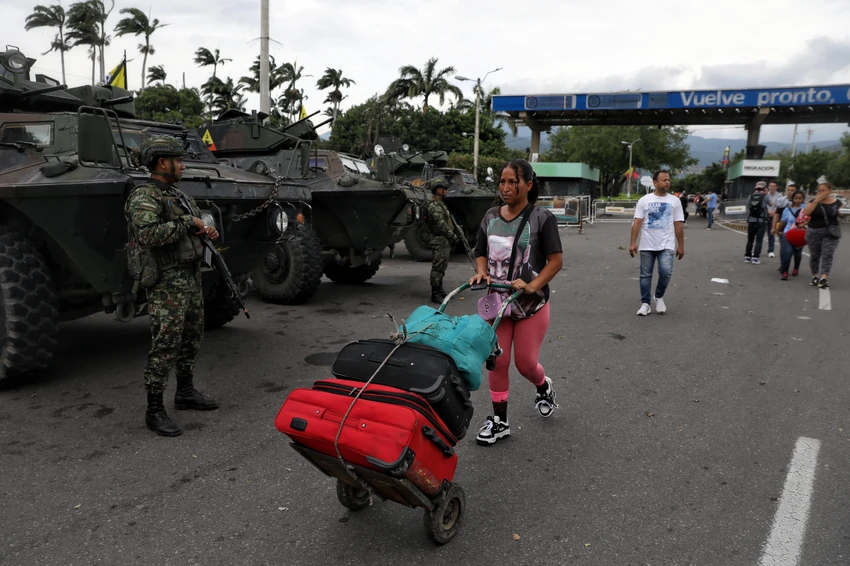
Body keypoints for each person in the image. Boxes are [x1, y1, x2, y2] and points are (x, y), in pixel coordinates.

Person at [125, 135, 220, 437]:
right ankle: (154, 410)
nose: (183, 165)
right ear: (162, 162)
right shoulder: (144, 196)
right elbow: (147, 235)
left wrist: (206, 231)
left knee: (191, 338)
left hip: (189, 277)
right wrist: (188, 223)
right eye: (178, 160)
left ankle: (185, 392)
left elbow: (194, 227)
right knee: (166, 344)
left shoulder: (180, 195)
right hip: (166, 283)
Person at [469, 158, 563, 445]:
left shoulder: (542, 218)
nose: (506, 187)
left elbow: (555, 261)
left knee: (525, 364)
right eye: (502, 182)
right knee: (497, 361)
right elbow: (480, 251)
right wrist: (481, 271)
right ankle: (500, 421)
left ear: (528, 185)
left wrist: (532, 285)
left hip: (531, 305)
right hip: (498, 305)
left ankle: (543, 385)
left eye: (513, 182)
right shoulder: (490, 217)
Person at [629, 170, 685, 316]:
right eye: (664, 180)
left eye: (668, 180)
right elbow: (637, 222)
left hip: (666, 244)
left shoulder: (675, 201)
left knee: (666, 272)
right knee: (645, 275)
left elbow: (678, 224)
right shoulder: (644, 200)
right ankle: (645, 304)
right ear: (655, 183)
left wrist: (681, 246)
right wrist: (633, 243)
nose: (667, 182)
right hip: (647, 244)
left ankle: (659, 296)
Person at [801, 178, 843, 288]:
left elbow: (842, 213)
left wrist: (842, 213)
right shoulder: (813, 202)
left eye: (823, 190)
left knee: (827, 254)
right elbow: (806, 213)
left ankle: (824, 277)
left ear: (830, 191)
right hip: (814, 231)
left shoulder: (837, 203)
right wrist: (816, 200)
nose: (821, 193)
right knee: (814, 255)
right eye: (819, 191)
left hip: (830, 232)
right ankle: (815, 275)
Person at [425, 177, 459, 303]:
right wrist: (451, 236)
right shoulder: (434, 205)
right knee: (438, 266)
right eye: (444, 189)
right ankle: (435, 292)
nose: (446, 191)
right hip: (439, 238)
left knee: (442, 266)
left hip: (443, 239)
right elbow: (441, 224)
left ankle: (440, 289)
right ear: (439, 190)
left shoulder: (440, 204)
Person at [777, 190, 807, 280]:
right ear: (793, 199)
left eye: (800, 198)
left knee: (797, 253)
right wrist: (779, 230)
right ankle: (785, 271)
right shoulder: (787, 209)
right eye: (796, 198)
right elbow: (783, 222)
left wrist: (804, 224)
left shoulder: (806, 209)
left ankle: (796, 268)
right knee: (788, 252)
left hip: (800, 234)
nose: (798, 200)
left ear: (803, 199)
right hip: (788, 233)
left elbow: (810, 219)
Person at [773, 183, 798, 272]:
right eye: (788, 190)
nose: (790, 192)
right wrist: (774, 227)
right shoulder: (782, 201)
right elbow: (776, 214)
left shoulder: (801, 203)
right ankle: (783, 264)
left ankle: (796, 267)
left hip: (797, 229)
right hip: (783, 228)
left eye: (792, 190)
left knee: (796, 250)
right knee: (784, 248)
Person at [744, 181, 770, 264]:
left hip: (751, 220)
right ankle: (755, 258)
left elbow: (749, 206)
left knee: (750, 239)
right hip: (761, 221)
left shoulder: (750, 196)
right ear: (764, 188)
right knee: (759, 240)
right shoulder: (765, 196)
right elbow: (771, 204)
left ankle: (747, 257)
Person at [765, 180, 782, 257]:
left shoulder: (779, 196)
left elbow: (779, 207)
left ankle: (771, 250)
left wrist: (773, 212)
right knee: (760, 234)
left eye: (773, 186)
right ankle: (756, 251)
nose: (772, 188)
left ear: (776, 187)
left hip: (773, 217)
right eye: (770, 186)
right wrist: (767, 212)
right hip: (765, 216)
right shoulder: (766, 195)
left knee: (771, 234)